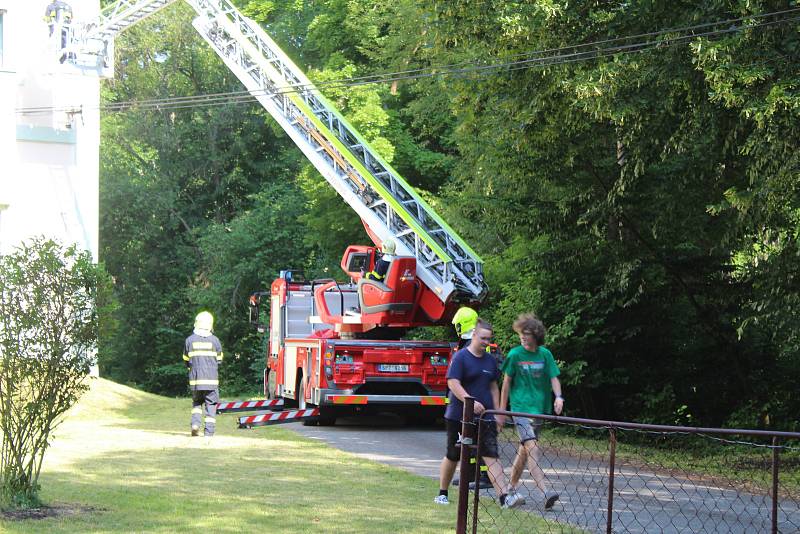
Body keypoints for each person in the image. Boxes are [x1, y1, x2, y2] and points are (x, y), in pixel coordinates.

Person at [434, 319, 522, 509]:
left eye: (488, 339)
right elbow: (453, 383)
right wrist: (469, 401)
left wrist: (498, 412)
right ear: (474, 335)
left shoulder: (490, 360)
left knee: (491, 455)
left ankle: (504, 497)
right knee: (453, 454)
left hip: (486, 417)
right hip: (459, 417)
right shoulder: (461, 358)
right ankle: (442, 493)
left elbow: (493, 387)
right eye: (482, 338)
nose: (485, 342)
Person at [496, 313, 563, 510]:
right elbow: (506, 384)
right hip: (520, 410)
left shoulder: (545, 354)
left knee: (524, 451)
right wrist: (502, 410)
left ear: (536, 336)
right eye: (521, 334)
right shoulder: (515, 355)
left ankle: (510, 487)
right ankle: (544, 492)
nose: (523, 338)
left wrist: (559, 397)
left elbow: (554, 378)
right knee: (532, 448)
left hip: (539, 410)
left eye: (527, 335)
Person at [182, 311, 224, 437]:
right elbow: (220, 359)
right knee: (210, 405)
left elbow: (185, 359)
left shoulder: (189, 340)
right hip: (211, 381)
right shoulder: (215, 341)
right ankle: (209, 432)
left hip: (195, 380)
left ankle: (195, 425)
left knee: (196, 403)